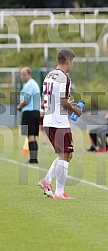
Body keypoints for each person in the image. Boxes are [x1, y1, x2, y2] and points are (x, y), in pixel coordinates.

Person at [38, 49, 82, 199]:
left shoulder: (49, 75)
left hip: (49, 120)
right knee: (65, 155)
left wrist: (67, 104)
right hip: (59, 122)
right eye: (72, 62)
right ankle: (59, 192)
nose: (72, 65)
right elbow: (63, 102)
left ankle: (47, 181)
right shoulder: (64, 78)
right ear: (68, 61)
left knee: (65, 154)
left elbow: (55, 99)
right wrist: (75, 109)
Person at [17, 67, 41, 164]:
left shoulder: (30, 84)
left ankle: (33, 159)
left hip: (30, 112)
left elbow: (26, 100)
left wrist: (19, 107)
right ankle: (33, 158)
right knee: (32, 136)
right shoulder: (31, 84)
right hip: (34, 112)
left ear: (29, 74)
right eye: (21, 74)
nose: (22, 76)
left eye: (24, 74)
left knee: (30, 136)